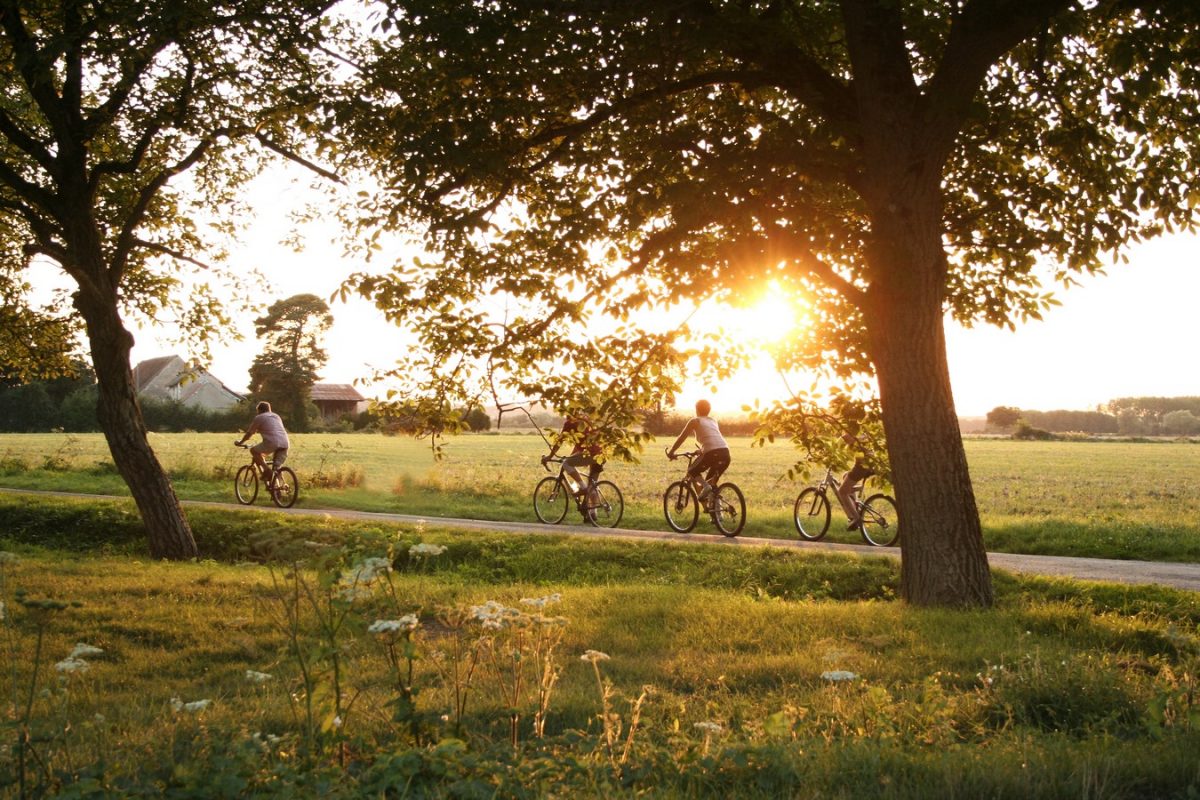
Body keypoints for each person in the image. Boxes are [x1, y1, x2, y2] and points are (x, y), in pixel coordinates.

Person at [666, 399, 730, 502]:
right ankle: (717, 516)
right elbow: (711, 438)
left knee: (692, 471)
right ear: (709, 410)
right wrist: (701, 450)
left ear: (696, 409)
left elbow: (681, 438)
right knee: (712, 485)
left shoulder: (695, 421)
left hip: (712, 453)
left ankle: (705, 487)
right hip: (725, 453)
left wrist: (671, 452)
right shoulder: (713, 421)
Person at [542, 414, 604, 507]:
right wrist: (572, 457)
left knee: (566, 464)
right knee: (592, 486)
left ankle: (583, 487)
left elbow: (559, 442)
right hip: (601, 454)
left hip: (590, 453)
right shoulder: (585, 419)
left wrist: (550, 456)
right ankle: (592, 514)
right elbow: (579, 446)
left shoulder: (569, 423)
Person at [235, 401, 290, 481]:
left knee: (254, 451)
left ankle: (266, 470)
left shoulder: (259, 417)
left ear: (259, 410)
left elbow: (249, 434)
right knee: (277, 467)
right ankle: (280, 489)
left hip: (272, 442)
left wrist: (240, 442)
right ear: (269, 409)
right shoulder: (276, 416)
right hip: (285, 443)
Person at [836, 431, 875, 530]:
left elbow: (847, 438)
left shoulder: (854, 429)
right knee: (846, 476)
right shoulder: (861, 428)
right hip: (866, 464)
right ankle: (855, 508)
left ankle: (857, 519)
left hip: (862, 466)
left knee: (842, 492)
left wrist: (841, 438)